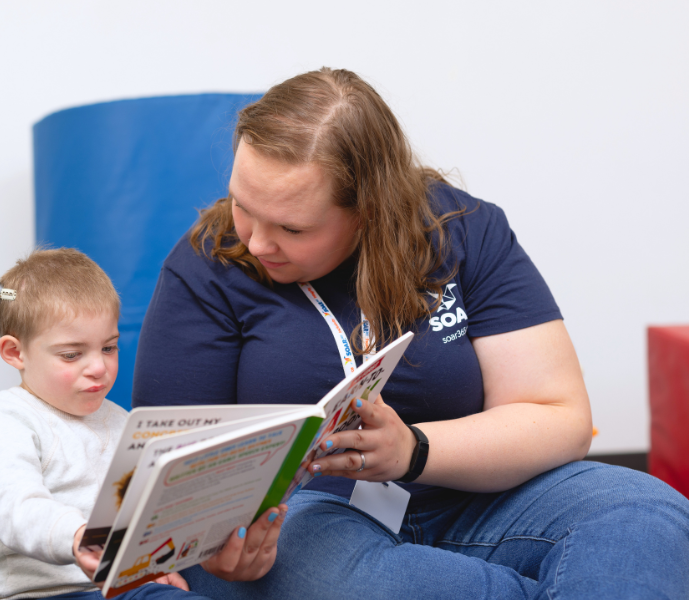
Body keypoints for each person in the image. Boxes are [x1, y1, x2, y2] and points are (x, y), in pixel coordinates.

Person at [132, 68, 689, 599]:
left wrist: (414, 450)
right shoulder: (207, 265)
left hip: (477, 496)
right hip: (305, 517)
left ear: (368, 211)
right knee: (355, 584)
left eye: (292, 228)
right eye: (243, 206)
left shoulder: (463, 231)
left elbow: (558, 416)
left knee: (643, 513)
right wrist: (213, 550)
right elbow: (171, 483)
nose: (254, 242)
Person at [0, 248, 285, 600]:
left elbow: (143, 514)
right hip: (32, 593)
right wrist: (78, 537)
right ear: (15, 352)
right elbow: (16, 508)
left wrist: (156, 565)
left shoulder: (120, 421)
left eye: (109, 348)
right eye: (72, 354)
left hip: (113, 586)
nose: (98, 367)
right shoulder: (5, 420)